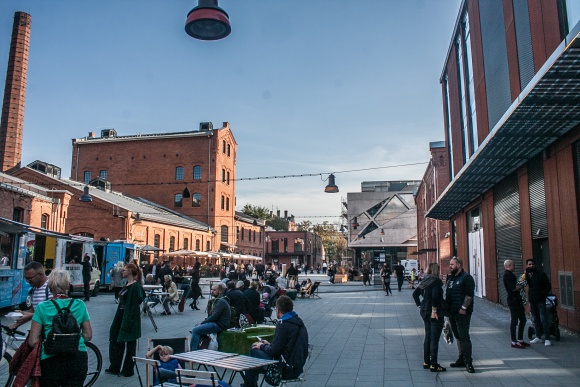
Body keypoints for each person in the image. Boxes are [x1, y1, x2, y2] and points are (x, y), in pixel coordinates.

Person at [27, 268, 93, 386]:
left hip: (50, 359)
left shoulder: (42, 307)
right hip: (77, 357)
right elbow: (88, 336)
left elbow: (32, 341)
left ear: (50, 286)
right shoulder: (80, 305)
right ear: (68, 285)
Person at [243, 295, 309, 387]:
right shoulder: (299, 323)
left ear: (278, 309)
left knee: (253, 350)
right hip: (296, 368)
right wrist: (269, 344)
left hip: (284, 369)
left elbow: (274, 352)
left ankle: (249, 385)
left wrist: (262, 346)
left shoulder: (283, 324)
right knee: (252, 365)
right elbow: (286, 347)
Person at [106, 263, 145, 377]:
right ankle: (115, 366)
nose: (122, 272)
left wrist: (129, 320)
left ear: (129, 272)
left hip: (129, 318)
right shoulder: (127, 285)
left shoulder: (135, 287)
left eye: (124, 270)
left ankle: (128, 369)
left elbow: (135, 303)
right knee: (116, 340)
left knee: (130, 344)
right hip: (121, 316)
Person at [413, 263, 445, 372]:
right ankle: (434, 364)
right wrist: (434, 310)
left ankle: (426, 361)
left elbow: (415, 294)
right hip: (434, 312)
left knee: (428, 336)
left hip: (425, 311)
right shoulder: (435, 281)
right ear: (436, 270)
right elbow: (435, 296)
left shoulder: (424, 281)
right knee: (434, 338)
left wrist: (420, 305)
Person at [445, 257, 475, 373]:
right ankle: (461, 358)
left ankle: (469, 362)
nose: (450, 266)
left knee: (464, 337)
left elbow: (469, 295)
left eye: (452, 264)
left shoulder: (466, 278)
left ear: (459, 265)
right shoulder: (451, 278)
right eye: (450, 264)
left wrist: (463, 308)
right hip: (452, 312)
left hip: (462, 313)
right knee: (457, 337)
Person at [10, 261, 52, 330]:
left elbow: (52, 312)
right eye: (26, 278)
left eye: (30, 278)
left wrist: (30, 315)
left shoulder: (51, 287)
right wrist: (17, 322)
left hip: (48, 332)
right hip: (38, 330)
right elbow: (33, 311)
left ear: (40, 274)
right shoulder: (35, 288)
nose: (27, 281)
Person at [190, 282, 230, 351]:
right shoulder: (218, 300)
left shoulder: (221, 301)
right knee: (197, 327)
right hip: (217, 323)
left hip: (219, 324)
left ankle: (193, 352)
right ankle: (200, 348)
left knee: (195, 330)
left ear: (220, 291)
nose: (212, 291)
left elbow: (214, 316)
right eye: (212, 290)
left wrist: (203, 323)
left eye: (214, 290)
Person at [525, 259, 552, 346]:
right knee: (535, 318)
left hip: (540, 299)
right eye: (529, 264)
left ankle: (547, 338)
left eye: (532, 264)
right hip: (532, 299)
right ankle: (538, 336)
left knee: (543, 318)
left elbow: (548, 286)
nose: (531, 266)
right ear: (527, 265)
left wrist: (543, 294)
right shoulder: (527, 275)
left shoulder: (541, 274)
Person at [503, 260, 529, 349]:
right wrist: (522, 285)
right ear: (509, 265)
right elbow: (513, 288)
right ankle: (514, 341)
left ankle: (520, 340)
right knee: (515, 320)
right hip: (513, 300)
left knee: (522, 319)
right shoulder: (508, 275)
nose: (515, 266)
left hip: (516, 299)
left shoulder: (510, 275)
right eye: (514, 265)